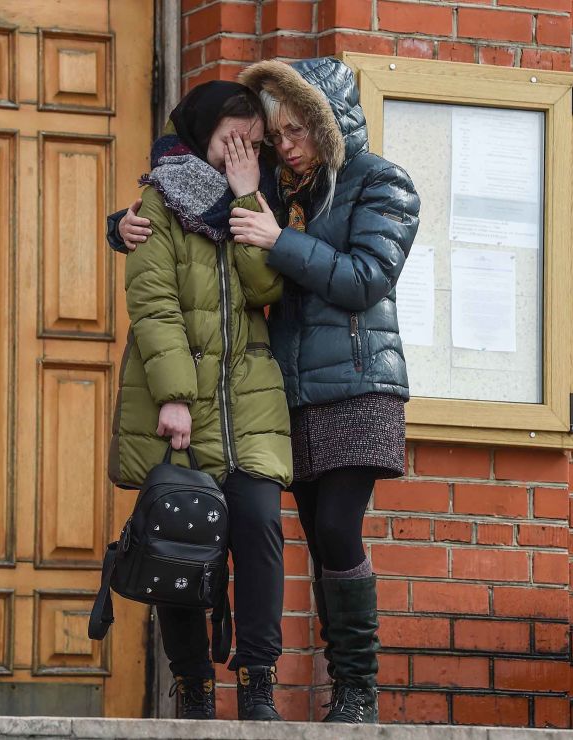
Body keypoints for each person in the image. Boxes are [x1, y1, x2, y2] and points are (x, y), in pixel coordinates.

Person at [113, 58, 420, 725]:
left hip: (354, 382)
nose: (280, 145)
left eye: (292, 130)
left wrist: (271, 229)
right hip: (289, 388)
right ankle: (227, 687)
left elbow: (362, 277)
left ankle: (353, 690)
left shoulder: (377, 184)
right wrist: (122, 224)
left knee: (330, 530)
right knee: (282, 532)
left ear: (325, 120)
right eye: (271, 133)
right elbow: (186, 206)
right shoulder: (283, 186)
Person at [107, 80, 292, 722]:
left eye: (253, 142)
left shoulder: (258, 200)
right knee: (180, 542)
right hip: (184, 409)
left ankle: (259, 683)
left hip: (250, 406)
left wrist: (246, 199)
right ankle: (192, 686)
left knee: (261, 531)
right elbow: (153, 301)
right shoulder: (157, 201)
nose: (242, 151)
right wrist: (176, 397)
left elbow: (266, 286)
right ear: (202, 130)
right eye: (230, 138)